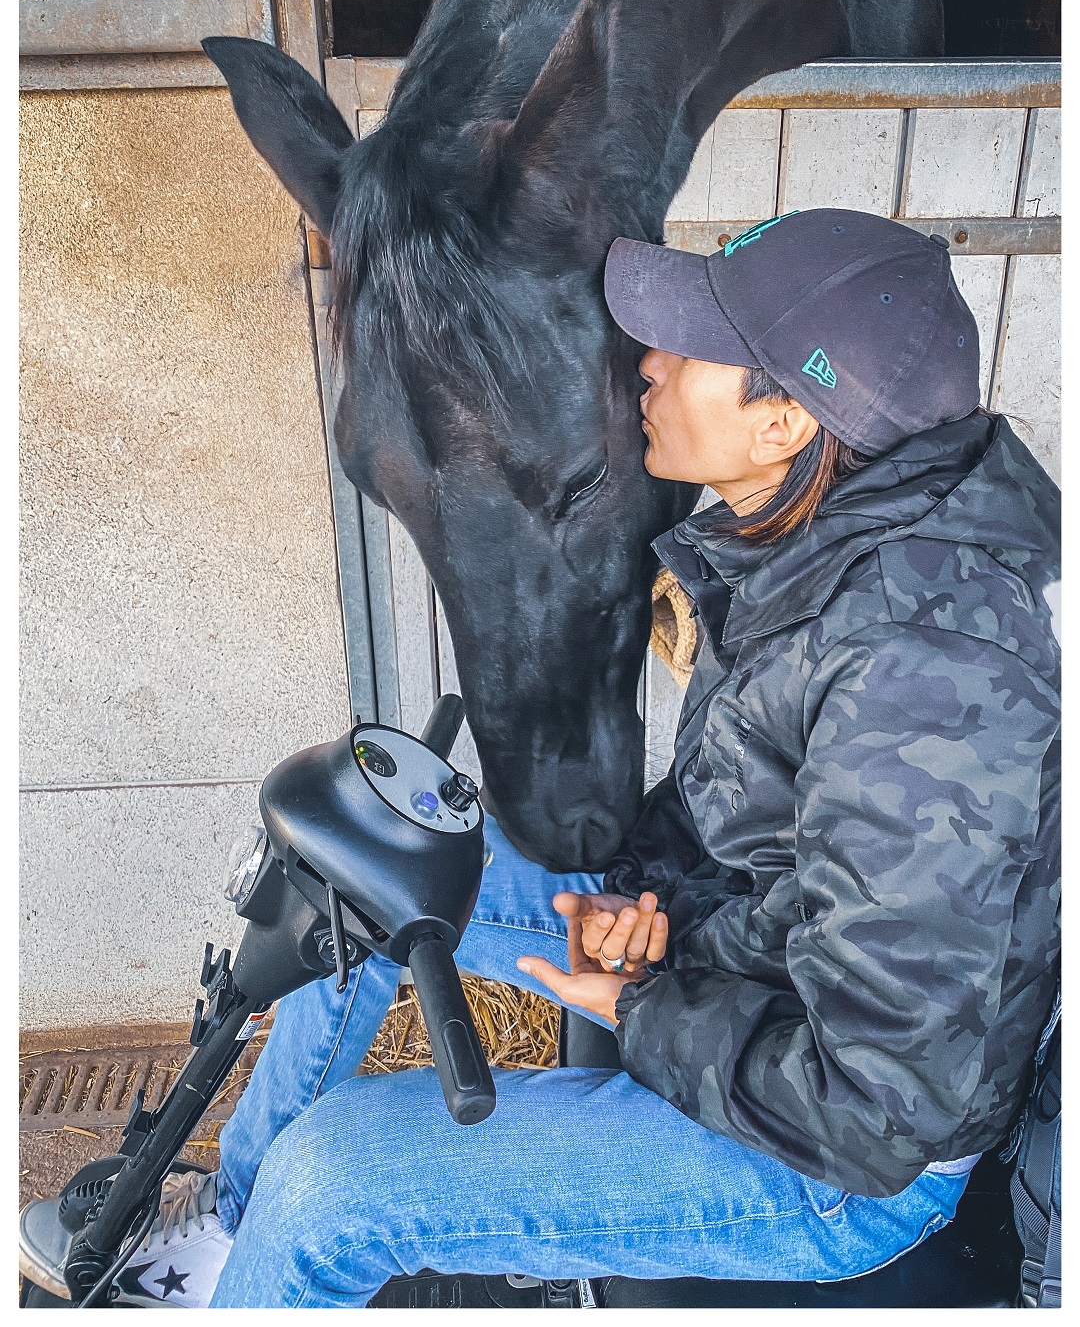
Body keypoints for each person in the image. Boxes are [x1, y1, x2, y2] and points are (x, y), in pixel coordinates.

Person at [20, 209, 1060, 1308]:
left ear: (787, 421)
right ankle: (228, 1248)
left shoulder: (922, 669)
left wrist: (643, 1002)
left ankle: (280, 1247)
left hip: (834, 1171)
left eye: (691, 348)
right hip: (760, 978)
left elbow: (878, 1107)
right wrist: (652, 898)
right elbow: (763, 825)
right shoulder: (817, 541)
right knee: (381, 865)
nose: (647, 365)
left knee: (338, 1181)